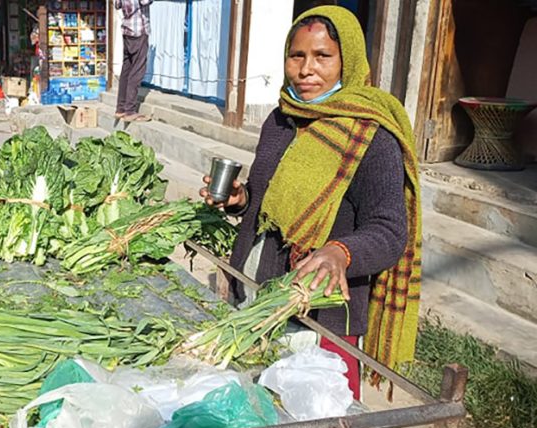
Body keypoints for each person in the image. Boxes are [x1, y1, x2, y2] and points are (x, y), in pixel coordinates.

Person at [200, 6, 421, 401]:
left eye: (323, 57)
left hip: (320, 315)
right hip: (254, 295)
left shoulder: (371, 136)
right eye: (296, 55)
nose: (306, 69)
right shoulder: (281, 119)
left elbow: (389, 231)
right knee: (253, 412)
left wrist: (341, 252)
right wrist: (240, 199)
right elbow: (267, 201)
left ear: (347, 61)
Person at [114, 0, 153, 122]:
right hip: (138, 31)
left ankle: (120, 108)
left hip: (127, 30)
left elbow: (117, 4)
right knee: (137, 71)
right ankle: (130, 111)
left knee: (126, 69)